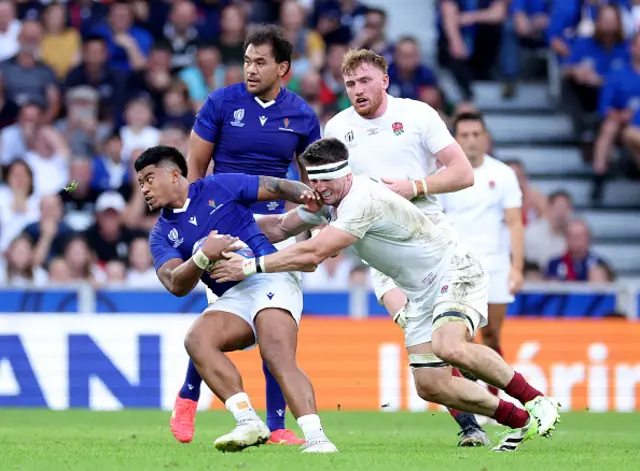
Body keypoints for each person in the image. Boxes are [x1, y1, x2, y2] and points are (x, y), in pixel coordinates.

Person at [210, 138, 562, 453]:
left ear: (345, 174)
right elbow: (282, 227)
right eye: (313, 180)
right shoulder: (328, 199)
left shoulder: (361, 200)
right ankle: (519, 421)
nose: (318, 188)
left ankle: (537, 401)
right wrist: (224, 227)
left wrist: (248, 267)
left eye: (325, 180)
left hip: (453, 271)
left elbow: (312, 254)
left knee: (448, 346)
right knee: (431, 385)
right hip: (420, 291)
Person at [322, 48, 487, 446]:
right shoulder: (336, 127)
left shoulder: (418, 115)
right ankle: (472, 422)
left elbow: (463, 173)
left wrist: (414, 186)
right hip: (379, 251)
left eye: (364, 81)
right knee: (416, 330)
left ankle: (480, 394)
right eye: (350, 84)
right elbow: (331, 189)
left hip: (428, 238)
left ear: (384, 80)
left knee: (445, 342)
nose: (357, 90)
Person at [173, 24, 321, 445]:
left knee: (274, 331)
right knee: (216, 320)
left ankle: (277, 428)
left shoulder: (303, 116)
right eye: (246, 61)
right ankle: (187, 397)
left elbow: (312, 187)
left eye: (260, 62)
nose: (250, 69)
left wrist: (311, 234)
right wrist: (193, 227)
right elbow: (195, 171)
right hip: (226, 227)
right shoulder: (221, 103)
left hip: (276, 231)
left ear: (283, 67)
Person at [137, 145, 337, 453]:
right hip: (233, 296)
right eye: (140, 184)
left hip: (270, 275)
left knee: (276, 354)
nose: (145, 189)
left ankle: (317, 438)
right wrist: (203, 256)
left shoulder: (218, 186)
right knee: (197, 339)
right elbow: (174, 284)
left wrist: (308, 197)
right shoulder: (161, 234)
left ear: (174, 174)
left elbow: (276, 186)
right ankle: (248, 421)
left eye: (149, 179)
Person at [440, 112, 524, 402]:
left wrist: (517, 267)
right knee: (460, 339)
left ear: (486, 138)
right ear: (455, 139)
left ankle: (495, 394)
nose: (471, 141)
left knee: (491, 337)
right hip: (458, 268)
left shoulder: (503, 174)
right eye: (465, 135)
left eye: (476, 135)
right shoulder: (445, 175)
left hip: (495, 267)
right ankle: (476, 399)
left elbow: (514, 221)